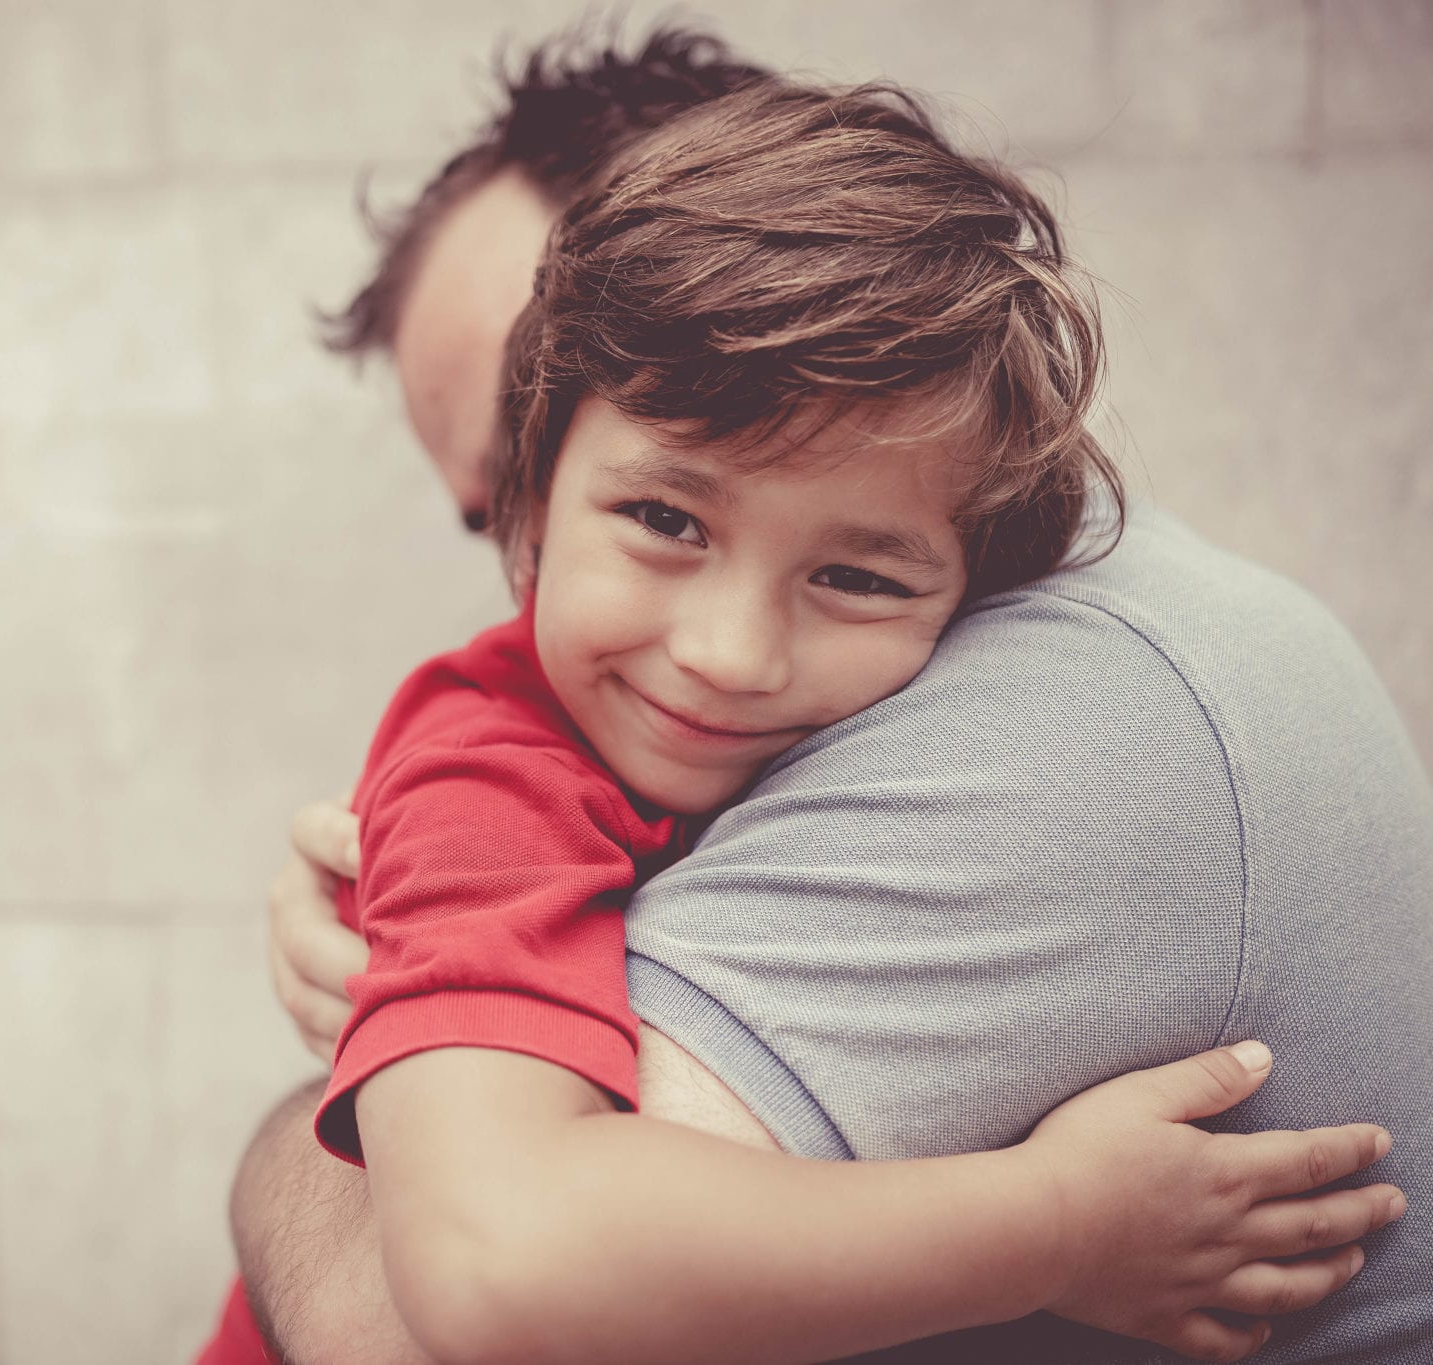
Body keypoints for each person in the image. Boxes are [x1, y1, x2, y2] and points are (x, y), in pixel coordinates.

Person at [217, 27, 1433, 1365]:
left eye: (855, 572)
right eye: (663, 516)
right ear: (531, 505)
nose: (732, 651)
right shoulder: (492, 784)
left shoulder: (1077, 701)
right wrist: (1053, 1227)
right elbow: (499, 1271)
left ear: (984, 558)